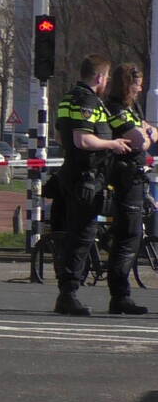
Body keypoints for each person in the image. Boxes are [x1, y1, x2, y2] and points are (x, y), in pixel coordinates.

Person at [54, 54, 131, 316]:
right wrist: (113, 144)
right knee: (82, 236)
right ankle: (68, 294)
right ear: (99, 77)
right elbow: (82, 140)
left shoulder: (69, 98)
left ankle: (69, 292)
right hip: (85, 178)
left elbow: (60, 135)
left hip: (80, 175)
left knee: (80, 234)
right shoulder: (86, 100)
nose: (107, 82)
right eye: (106, 78)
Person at [106, 63, 158, 314]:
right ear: (127, 83)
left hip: (136, 179)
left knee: (132, 236)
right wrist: (145, 134)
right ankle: (119, 296)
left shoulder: (132, 108)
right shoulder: (116, 108)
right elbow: (140, 140)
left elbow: (152, 132)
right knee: (127, 237)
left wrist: (146, 133)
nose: (140, 89)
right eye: (137, 84)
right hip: (125, 179)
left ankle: (122, 293)